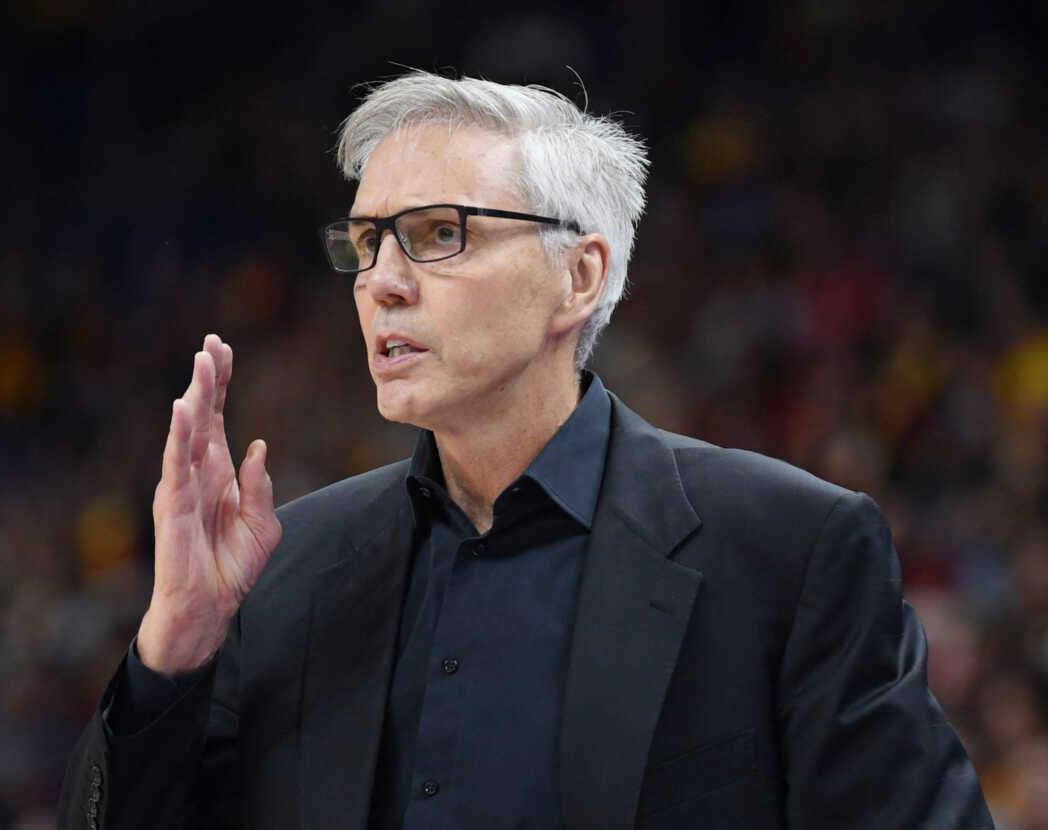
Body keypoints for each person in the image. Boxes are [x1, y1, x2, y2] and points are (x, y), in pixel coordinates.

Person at [58, 71, 994, 830]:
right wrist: (172, 649)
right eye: (367, 243)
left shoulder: (789, 550)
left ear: (578, 277)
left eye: (437, 235)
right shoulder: (285, 567)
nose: (381, 282)